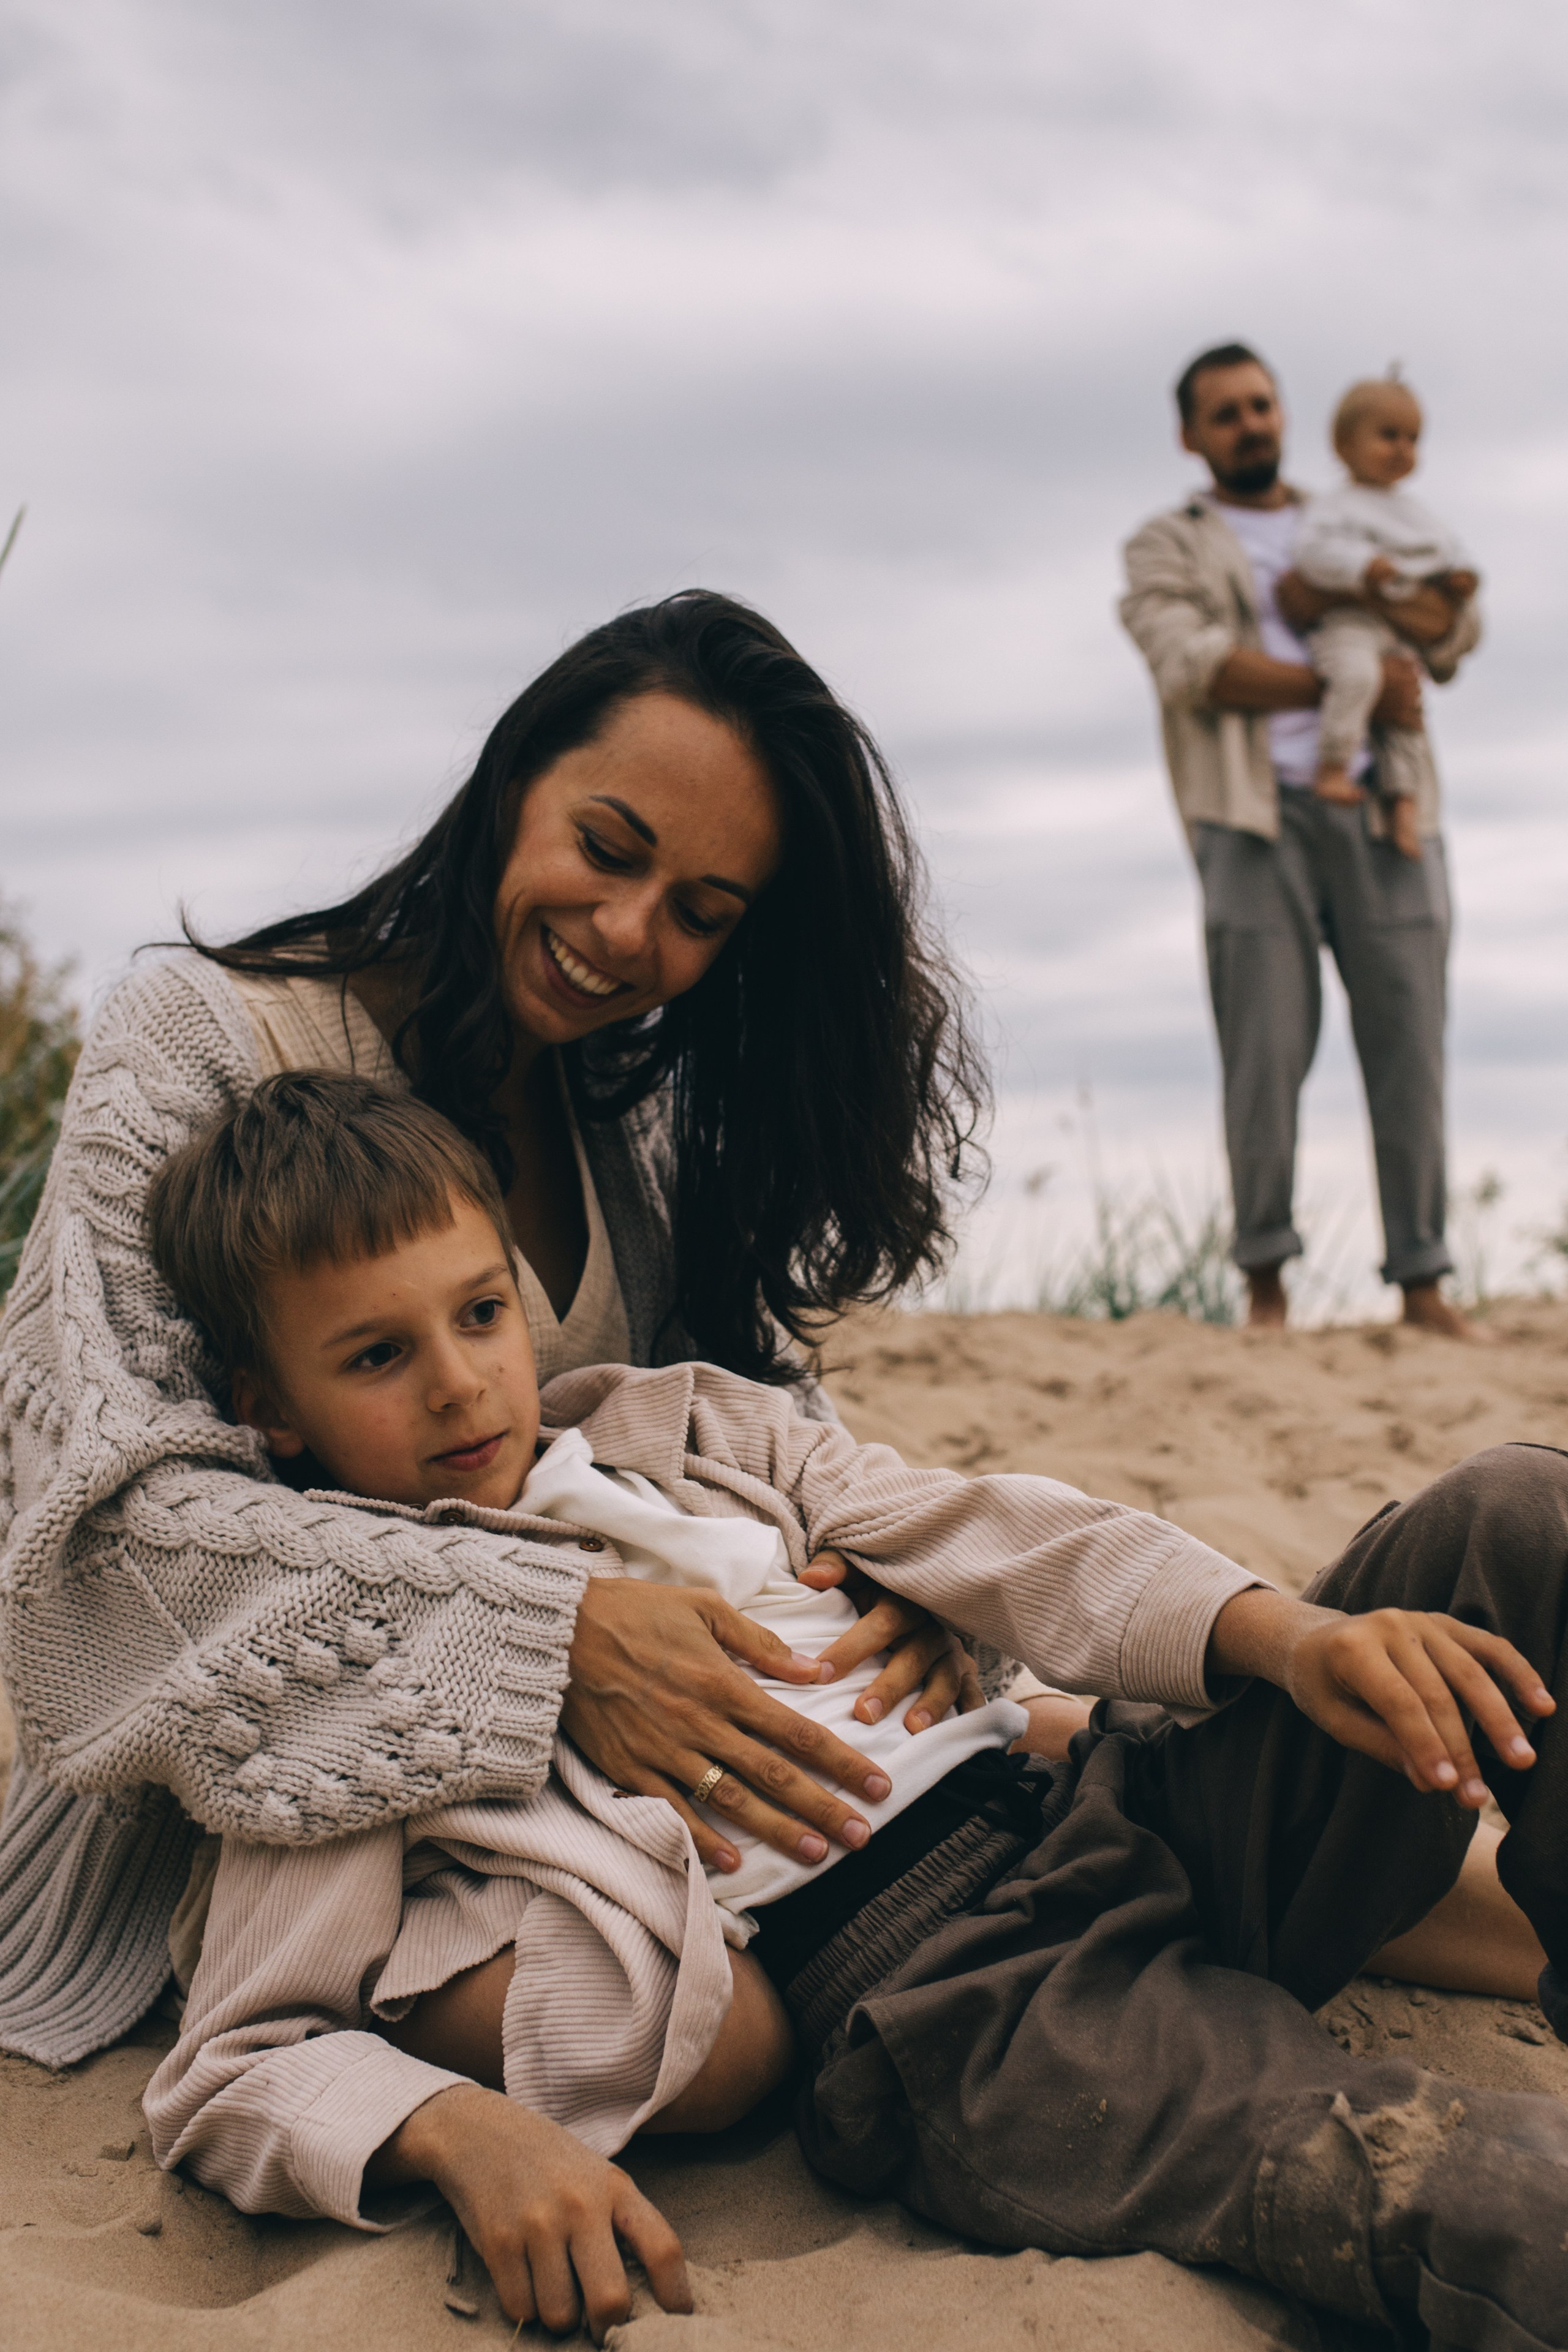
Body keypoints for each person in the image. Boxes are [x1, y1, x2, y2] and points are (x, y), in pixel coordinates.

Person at [141, 1071, 1568, 2352]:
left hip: (1111, 1805)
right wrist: (458, 2134)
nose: (460, 1379)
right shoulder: (342, 1670)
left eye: (479, 1310)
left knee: (1514, 1509)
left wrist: (1285, 1633)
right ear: (271, 1406)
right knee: (1451, 2177)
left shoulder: (681, 1426)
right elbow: (240, 2059)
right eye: (377, 1356)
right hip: (965, 2000)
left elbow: (981, 1528)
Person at [0, 590, 989, 2071]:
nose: (625, 932)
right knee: (742, 2039)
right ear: (512, 777)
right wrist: (543, 1637)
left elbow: (745, 1418)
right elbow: (98, 1548)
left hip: (639, 1778)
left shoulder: (627, 1120)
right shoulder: (201, 1039)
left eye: (701, 915)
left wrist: (893, 1577)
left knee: (1051, 1820)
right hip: (282, 1828)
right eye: (606, 848)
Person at [1120, 344, 1482, 1336]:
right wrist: (1348, 679)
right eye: (1227, 413)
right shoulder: (1165, 542)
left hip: (1382, 808)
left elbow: (1454, 630)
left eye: (1263, 405)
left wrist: (1402, 624)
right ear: (1193, 437)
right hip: (1250, 820)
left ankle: (1423, 1283)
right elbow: (1190, 665)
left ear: (1287, 415)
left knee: (1412, 1042)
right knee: (1264, 1055)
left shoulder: (1348, 512)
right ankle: (1265, 1289)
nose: (1252, 424)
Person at [1296, 372, 1480, 857]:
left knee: (1404, 716)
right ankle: (1333, 764)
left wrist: (1456, 577)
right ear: (1344, 444)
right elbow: (1312, 555)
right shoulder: (1333, 507)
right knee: (1357, 679)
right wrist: (1362, 568)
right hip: (1350, 626)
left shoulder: (1416, 514)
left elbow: (1444, 556)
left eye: (1413, 439)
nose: (1402, 449)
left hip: (1396, 631)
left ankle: (1404, 804)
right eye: (1388, 435)